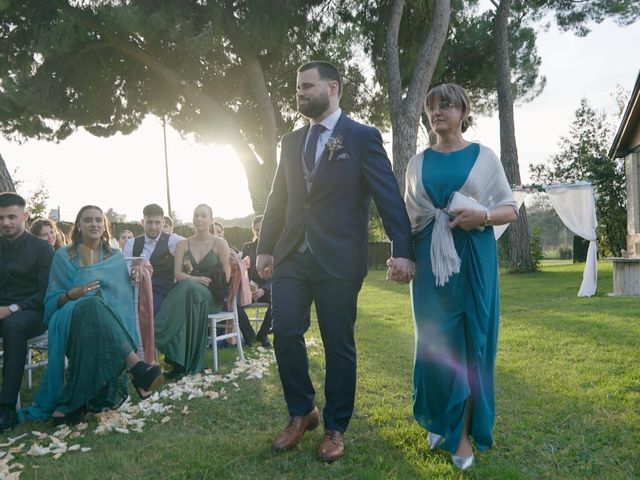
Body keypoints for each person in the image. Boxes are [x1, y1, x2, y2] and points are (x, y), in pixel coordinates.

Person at [256, 61, 414, 462]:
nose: (300, 93)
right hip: (293, 254)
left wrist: (402, 248)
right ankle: (301, 411)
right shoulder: (291, 142)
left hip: (339, 257)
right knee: (285, 332)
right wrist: (265, 245)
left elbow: (387, 195)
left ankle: (335, 427)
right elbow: (279, 198)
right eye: (297, 88)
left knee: (337, 343)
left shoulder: (361, 137)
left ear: (333, 88)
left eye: (307, 87)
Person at [404, 83, 518, 470]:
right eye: (432, 107)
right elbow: (408, 219)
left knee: (472, 344)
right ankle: (439, 415)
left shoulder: (483, 157)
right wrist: (399, 257)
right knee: (434, 344)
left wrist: (482, 216)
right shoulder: (416, 164)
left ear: (464, 111)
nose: (438, 112)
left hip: (473, 258)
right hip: (430, 264)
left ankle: (462, 434)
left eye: (446, 106)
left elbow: (509, 209)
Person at [22, 205, 163, 426]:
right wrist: (73, 293)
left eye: (99, 220)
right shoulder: (63, 255)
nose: (94, 224)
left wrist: (136, 274)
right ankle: (137, 367)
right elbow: (53, 301)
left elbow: (122, 298)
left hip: (105, 322)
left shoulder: (115, 257)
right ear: (78, 225)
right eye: (88, 220)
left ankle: (73, 403)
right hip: (69, 315)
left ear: (105, 225)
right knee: (90, 305)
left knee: (95, 308)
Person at [154, 204, 231, 376]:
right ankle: (180, 361)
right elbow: (178, 274)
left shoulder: (220, 243)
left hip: (212, 296)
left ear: (211, 220)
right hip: (189, 294)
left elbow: (226, 277)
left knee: (189, 291)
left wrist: (207, 280)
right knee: (189, 291)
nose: (199, 219)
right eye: (196, 215)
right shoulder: (183, 244)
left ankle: (156, 333)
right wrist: (196, 279)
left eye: (204, 215)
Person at [0, 193, 54, 431]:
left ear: (25, 216)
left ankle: (7, 409)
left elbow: (45, 293)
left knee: (13, 326)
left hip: (33, 312)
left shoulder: (42, 249)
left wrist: (12, 308)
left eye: (12, 217)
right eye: (1, 218)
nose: (6, 223)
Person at [123, 204, 183, 314]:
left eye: (157, 222)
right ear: (142, 222)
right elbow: (126, 272)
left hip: (163, 293)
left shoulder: (174, 240)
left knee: (148, 310)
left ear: (163, 223)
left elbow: (194, 244)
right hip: (135, 291)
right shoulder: (131, 244)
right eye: (149, 222)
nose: (153, 227)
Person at [241, 215, 272, 348]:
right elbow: (241, 271)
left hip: (267, 289)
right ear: (253, 230)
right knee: (234, 303)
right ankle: (249, 336)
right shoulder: (247, 247)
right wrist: (246, 287)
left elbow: (277, 276)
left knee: (279, 299)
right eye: (257, 229)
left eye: (263, 229)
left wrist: (264, 289)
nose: (260, 232)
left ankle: (263, 334)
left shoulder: (275, 247)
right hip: (248, 289)